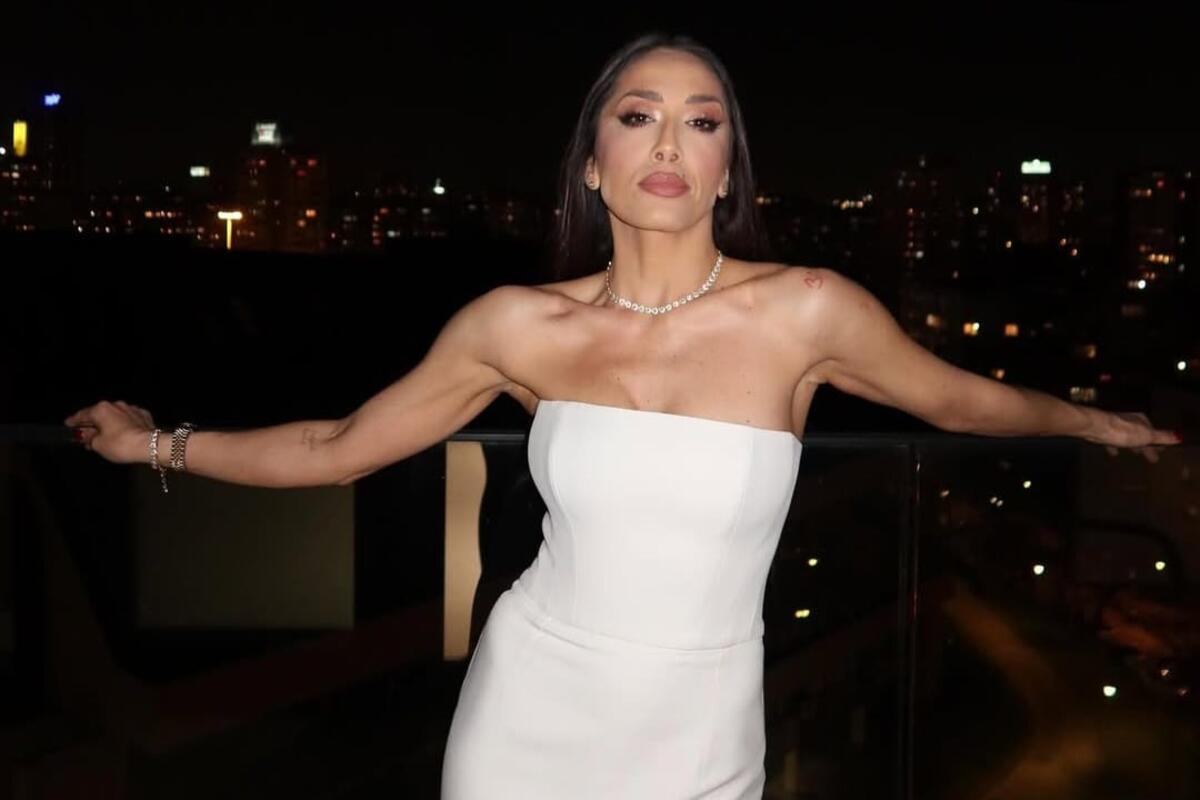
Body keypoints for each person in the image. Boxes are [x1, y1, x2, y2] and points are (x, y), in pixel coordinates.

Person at [63, 32, 1180, 800]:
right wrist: (151, 442)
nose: (668, 144)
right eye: (638, 117)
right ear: (594, 165)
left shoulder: (807, 311)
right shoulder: (515, 325)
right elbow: (336, 447)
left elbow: (962, 399)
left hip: (700, 726)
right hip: (528, 706)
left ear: (726, 169)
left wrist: (1091, 423)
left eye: (701, 122)